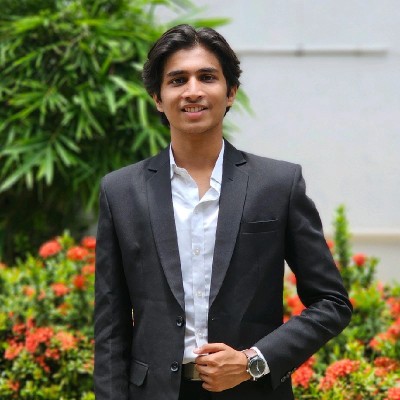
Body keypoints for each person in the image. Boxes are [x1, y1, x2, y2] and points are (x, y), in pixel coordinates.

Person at [94, 24, 352, 400]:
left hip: (252, 391)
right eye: (177, 80)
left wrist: (252, 361)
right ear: (157, 98)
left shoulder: (278, 184)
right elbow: (110, 326)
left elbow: (332, 303)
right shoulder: (121, 192)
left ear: (230, 91)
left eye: (207, 77)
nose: (193, 91)